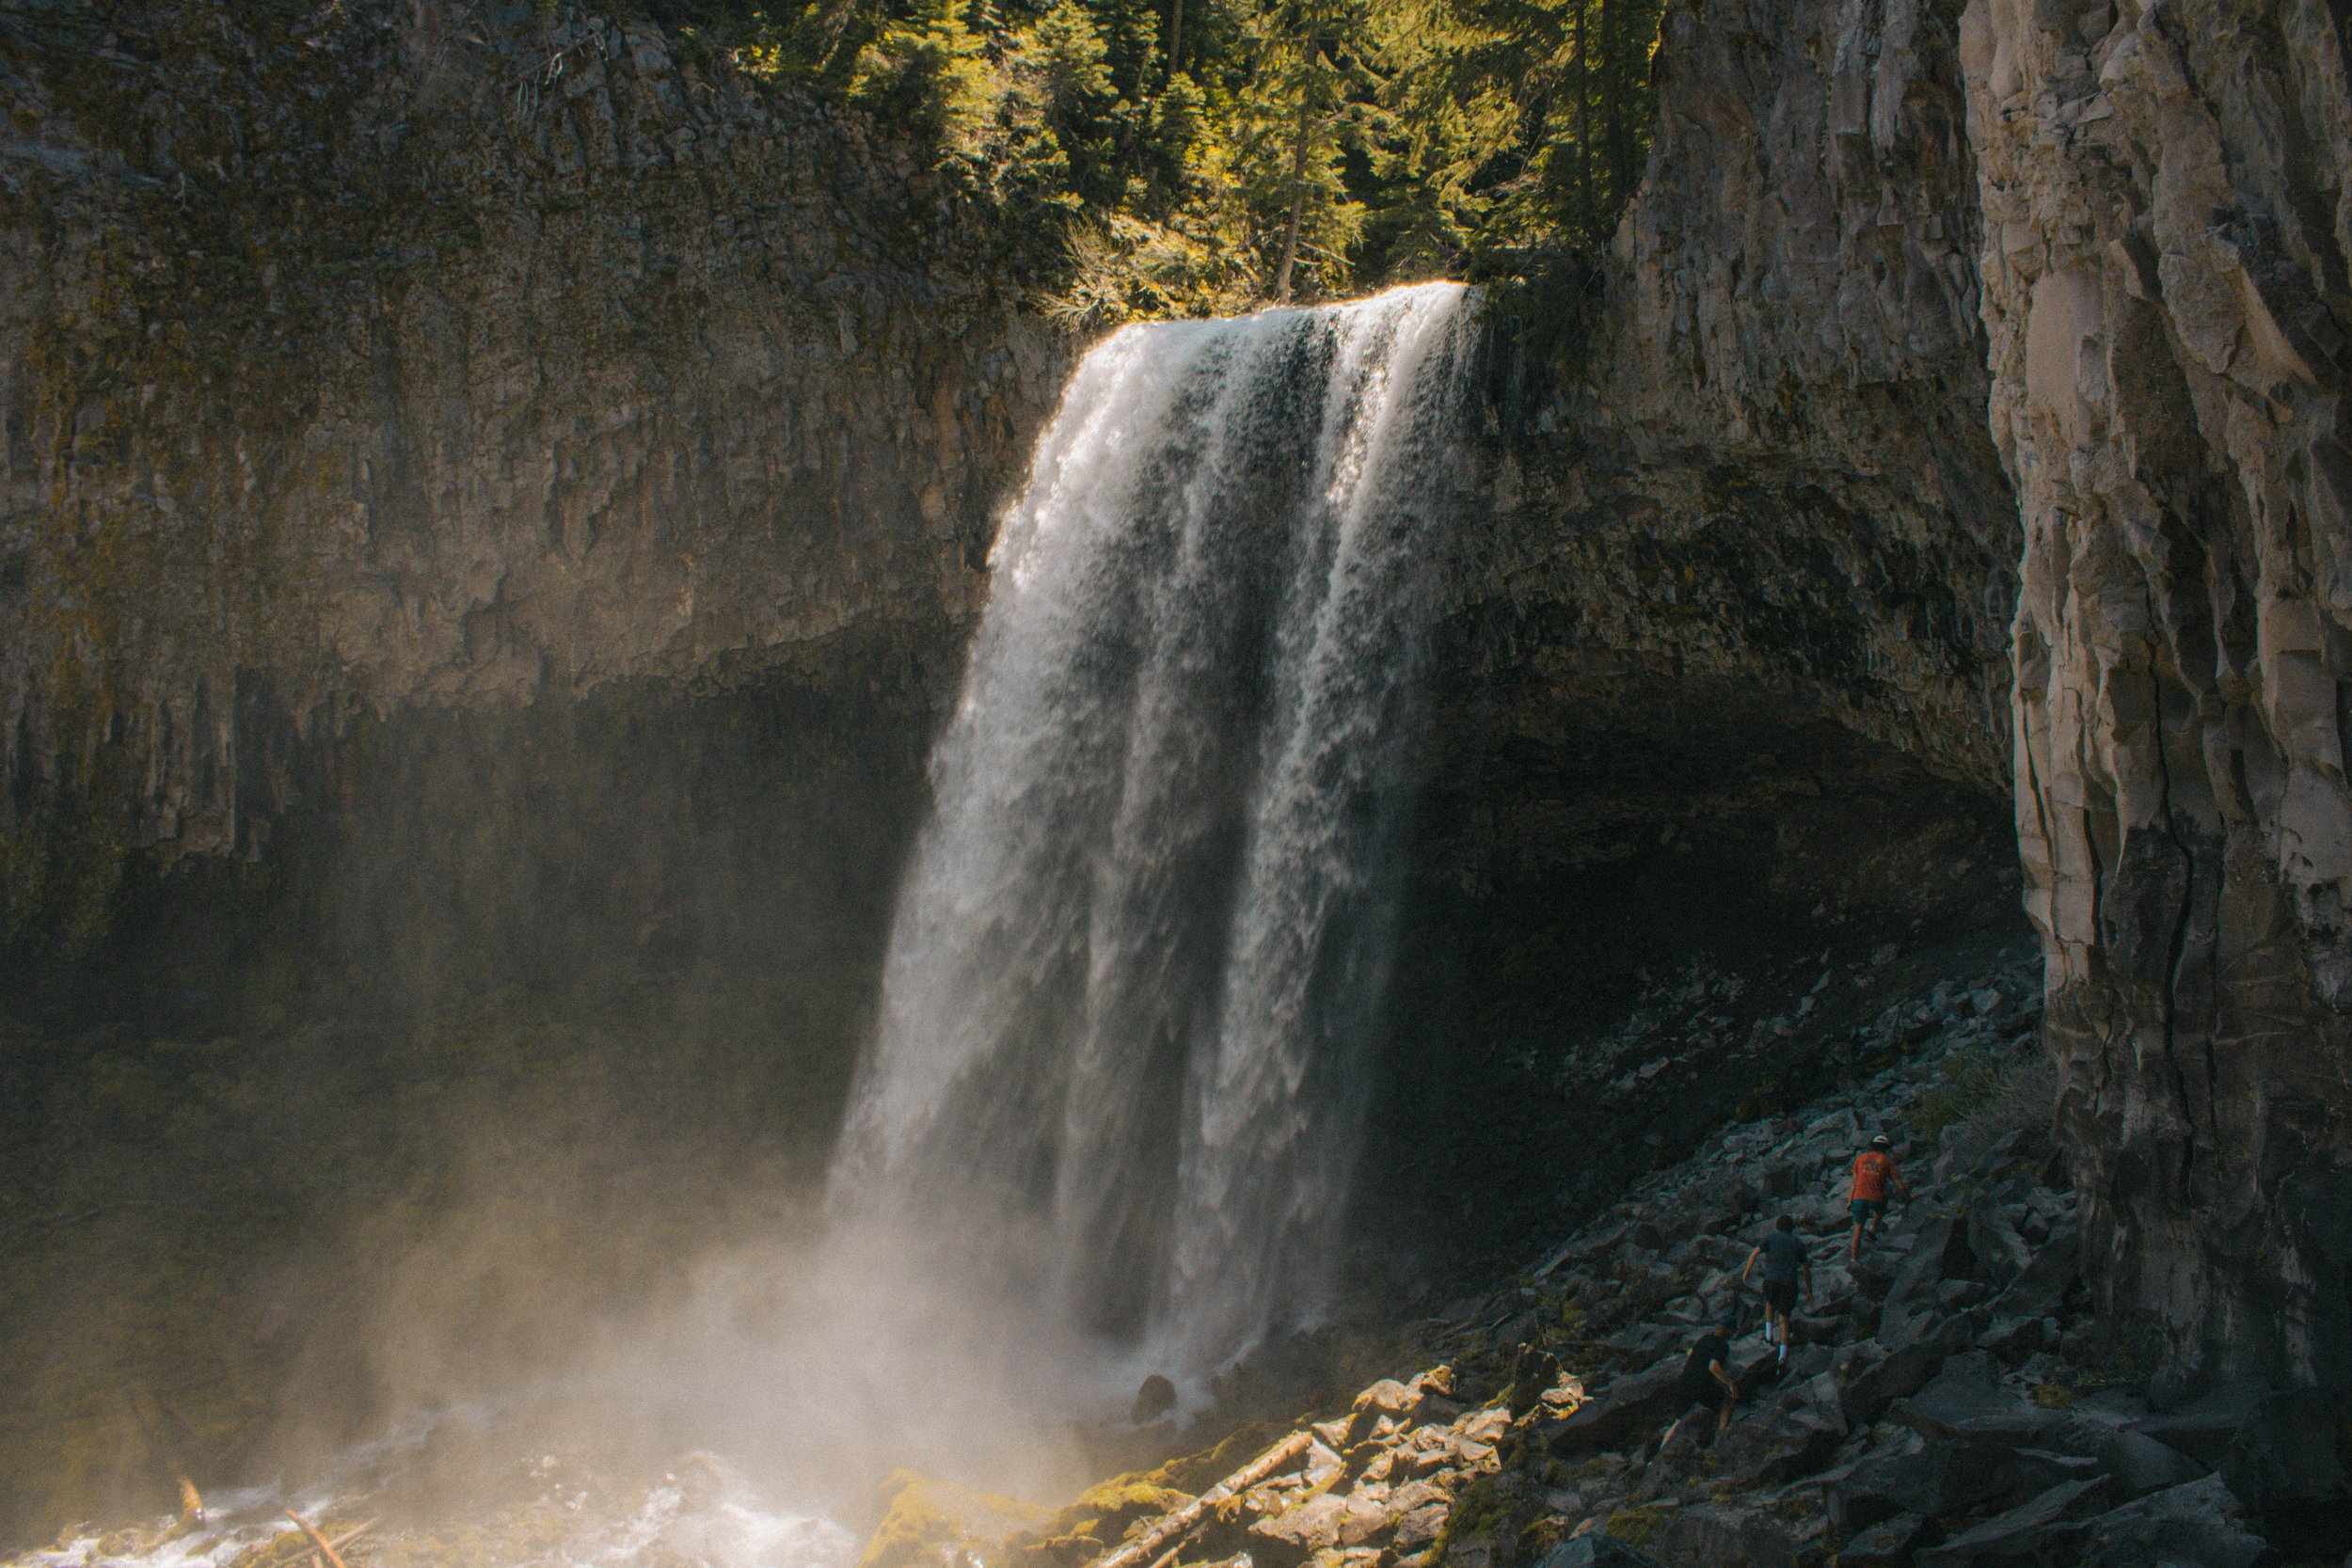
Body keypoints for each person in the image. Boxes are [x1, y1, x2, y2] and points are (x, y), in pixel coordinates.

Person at [1660, 1313, 1741, 1449]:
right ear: (1729, 1331)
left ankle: (1657, 1456)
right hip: (1699, 1388)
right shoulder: (1722, 1345)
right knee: (1727, 1400)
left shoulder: (1705, 1338)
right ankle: (1721, 1439)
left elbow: (1689, 1353)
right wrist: (1731, 1384)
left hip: (1684, 1384)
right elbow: (1713, 1366)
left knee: (1677, 1423)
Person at [1741, 1214, 1811, 1364]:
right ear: (1792, 1228)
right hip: (1789, 1283)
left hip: (1772, 1279)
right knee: (1784, 1320)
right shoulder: (1797, 1243)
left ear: (1777, 1226)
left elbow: (1754, 1253)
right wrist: (1809, 1291)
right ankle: (1782, 1356)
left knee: (1769, 1304)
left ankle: (1768, 1336)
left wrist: (1747, 1271)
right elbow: (1806, 1269)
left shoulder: (1771, 1238)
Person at [1849, 1132, 1910, 1258]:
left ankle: (1854, 1260)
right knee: (1881, 1207)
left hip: (1859, 1197)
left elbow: (1854, 1182)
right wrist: (1907, 1198)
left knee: (1857, 1232)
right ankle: (1872, 1229)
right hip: (1876, 1199)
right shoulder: (1887, 1161)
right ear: (1885, 1148)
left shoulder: (1860, 1158)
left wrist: (1850, 1201)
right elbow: (1899, 1184)